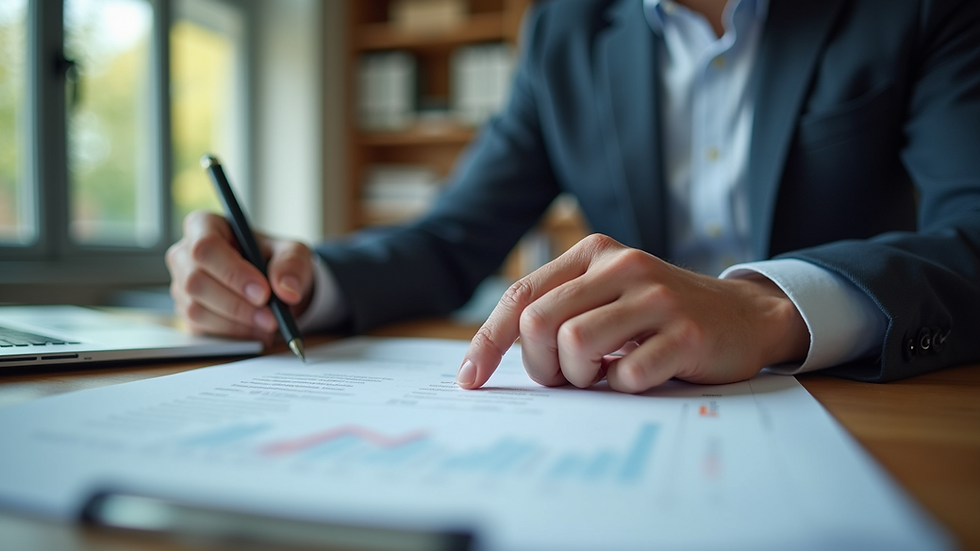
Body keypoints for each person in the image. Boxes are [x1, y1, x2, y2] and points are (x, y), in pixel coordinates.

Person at [167, 0, 980, 394]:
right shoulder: (566, 29)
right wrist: (301, 282)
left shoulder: (914, 9)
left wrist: (766, 308)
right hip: (627, 401)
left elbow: (971, 233)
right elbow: (453, 237)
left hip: (852, 399)